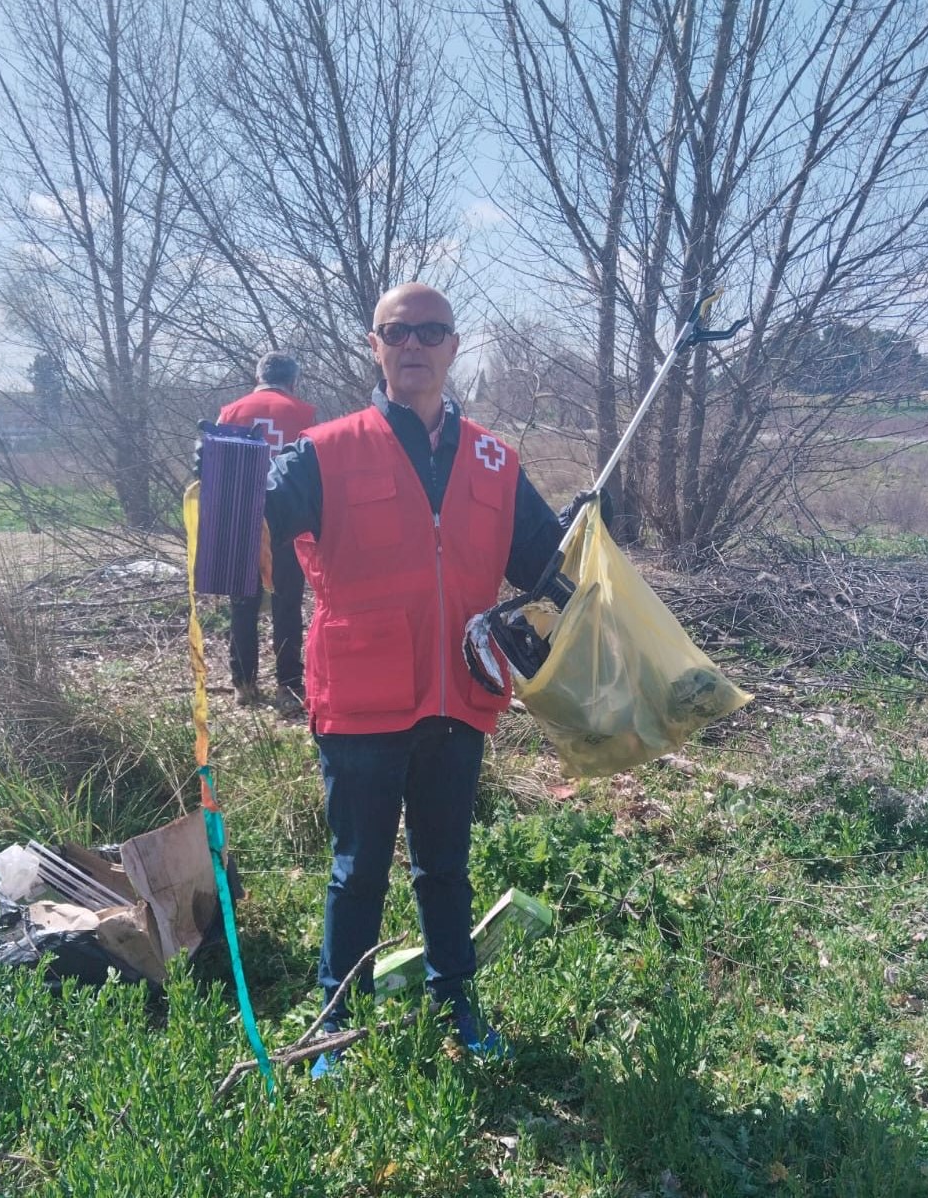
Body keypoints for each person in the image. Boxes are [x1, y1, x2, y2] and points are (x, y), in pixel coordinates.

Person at [255, 283, 570, 1075]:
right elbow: (249, 533)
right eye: (397, 333)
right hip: (361, 699)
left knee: (445, 866)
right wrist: (227, 486)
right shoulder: (323, 452)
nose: (414, 346)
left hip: (458, 693)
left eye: (430, 332)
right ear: (375, 346)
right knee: (357, 869)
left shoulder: (495, 460)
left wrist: (583, 532)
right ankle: (336, 1024)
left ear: (454, 347)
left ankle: (457, 1004)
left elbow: (544, 567)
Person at [216, 352, 316, 714]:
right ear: (293, 381)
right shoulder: (305, 414)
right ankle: (288, 686)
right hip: (288, 525)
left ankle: (244, 685)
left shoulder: (231, 412)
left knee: (242, 607)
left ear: (258, 377)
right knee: (287, 606)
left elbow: (217, 472)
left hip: (241, 521)